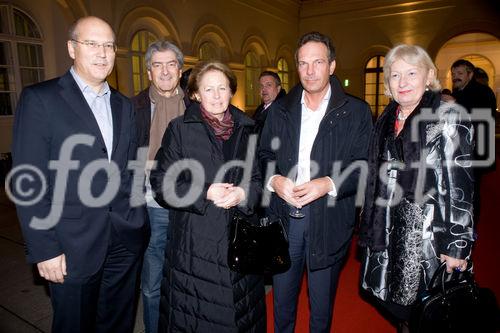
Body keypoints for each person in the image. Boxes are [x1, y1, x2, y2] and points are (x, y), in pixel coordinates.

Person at [10, 16, 148, 332]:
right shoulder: (41, 99)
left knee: (118, 323)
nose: (102, 53)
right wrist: (44, 248)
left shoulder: (124, 105)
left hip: (124, 240)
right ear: (72, 48)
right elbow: (28, 180)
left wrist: (137, 218)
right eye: (92, 44)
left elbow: (128, 169)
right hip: (71, 244)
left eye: (109, 46)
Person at [259, 31, 373, 333]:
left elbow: (364, 166)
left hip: (328, 220)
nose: (310, 71)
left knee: (321, 309)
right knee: (281, 304)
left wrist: (328, 183)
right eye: (303, 63)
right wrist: (274, 180)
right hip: (284, 221)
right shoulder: (281, 110)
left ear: (332, 66)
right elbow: (263, 155)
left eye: (318, 62)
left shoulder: (356, 112)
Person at [359, 45, 475, 331]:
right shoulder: (387, 120)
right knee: (400, 312)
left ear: (429, 76)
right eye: (395, 75)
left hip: (428, 241)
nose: (403, 82)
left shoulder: (448, 117)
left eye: (411, 73)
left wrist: (457, 246)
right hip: (387, 232)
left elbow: (460, 190)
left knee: (429, 313)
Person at [150, 61, 266, 332]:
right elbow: (161, 184)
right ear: (196, 94)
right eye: (208, 89)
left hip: (241, 242)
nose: (216, 96)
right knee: (198, 318)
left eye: (222, 88)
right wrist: (205, 193)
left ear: (231, 91)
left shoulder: (248, 129)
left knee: (240, 317)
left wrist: (242, 194)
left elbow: (259, 182)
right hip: (195, 246)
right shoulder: (179, 128)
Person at [132, 40, 189, 333]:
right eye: (157, 65)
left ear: (180, 70)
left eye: (171, 64)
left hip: (192, 205)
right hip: (152, 204)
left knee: (187, 279)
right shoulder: (134, 108)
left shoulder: (196, 106)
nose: (165, 71)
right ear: (149, 72)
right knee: (153, 283)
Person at [253, 71, 286, 135]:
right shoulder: (261, 108)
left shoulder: (282, 112)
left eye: (269, 85)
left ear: (278, 89)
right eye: (261, 85)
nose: (263, 89)